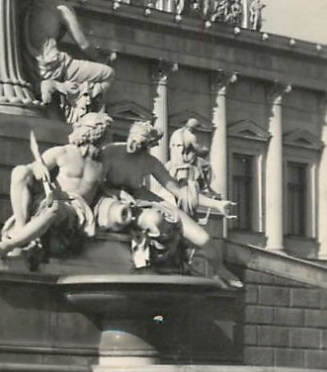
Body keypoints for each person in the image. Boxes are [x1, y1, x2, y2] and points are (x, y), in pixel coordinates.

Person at [100, 121, 241, 287]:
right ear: (129, 134)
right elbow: (95, 182)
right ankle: (151, 266)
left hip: (143, 199)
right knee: (155, 222)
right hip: (113, 200)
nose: (133, 145)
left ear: (148, 145)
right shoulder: (110, 152)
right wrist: (117, 193)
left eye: (140, 144)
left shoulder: (149, 162)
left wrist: (216, 205)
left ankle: (219, 270)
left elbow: (179, 192)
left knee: (204, 238)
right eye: (132, 139)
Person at [0, 113, 115, 258]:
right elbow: (32, 170)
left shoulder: (103, 163)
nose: (108, 140)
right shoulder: (62, 152)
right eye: (106, 135)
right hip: (52, 198)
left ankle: (10, 244)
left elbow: (110, 188)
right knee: (20, 171)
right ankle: (20, 227)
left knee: (55, 207)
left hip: (76, 210)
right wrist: (38, 168)